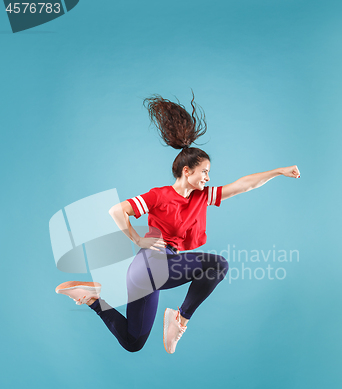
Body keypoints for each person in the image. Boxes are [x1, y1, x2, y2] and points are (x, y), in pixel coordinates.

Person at [55, 93, 300, 354]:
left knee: (133, 342)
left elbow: (242, 186)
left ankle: (93, 298)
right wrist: (137, 239)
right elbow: (117, 210)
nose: (208, 177)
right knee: (217, 265)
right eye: (204, 171)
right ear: (187, 171)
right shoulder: (159, 195)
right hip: (150, 266)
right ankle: (180, 318)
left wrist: (278, 171)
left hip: (150, 276)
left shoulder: (201, 197)